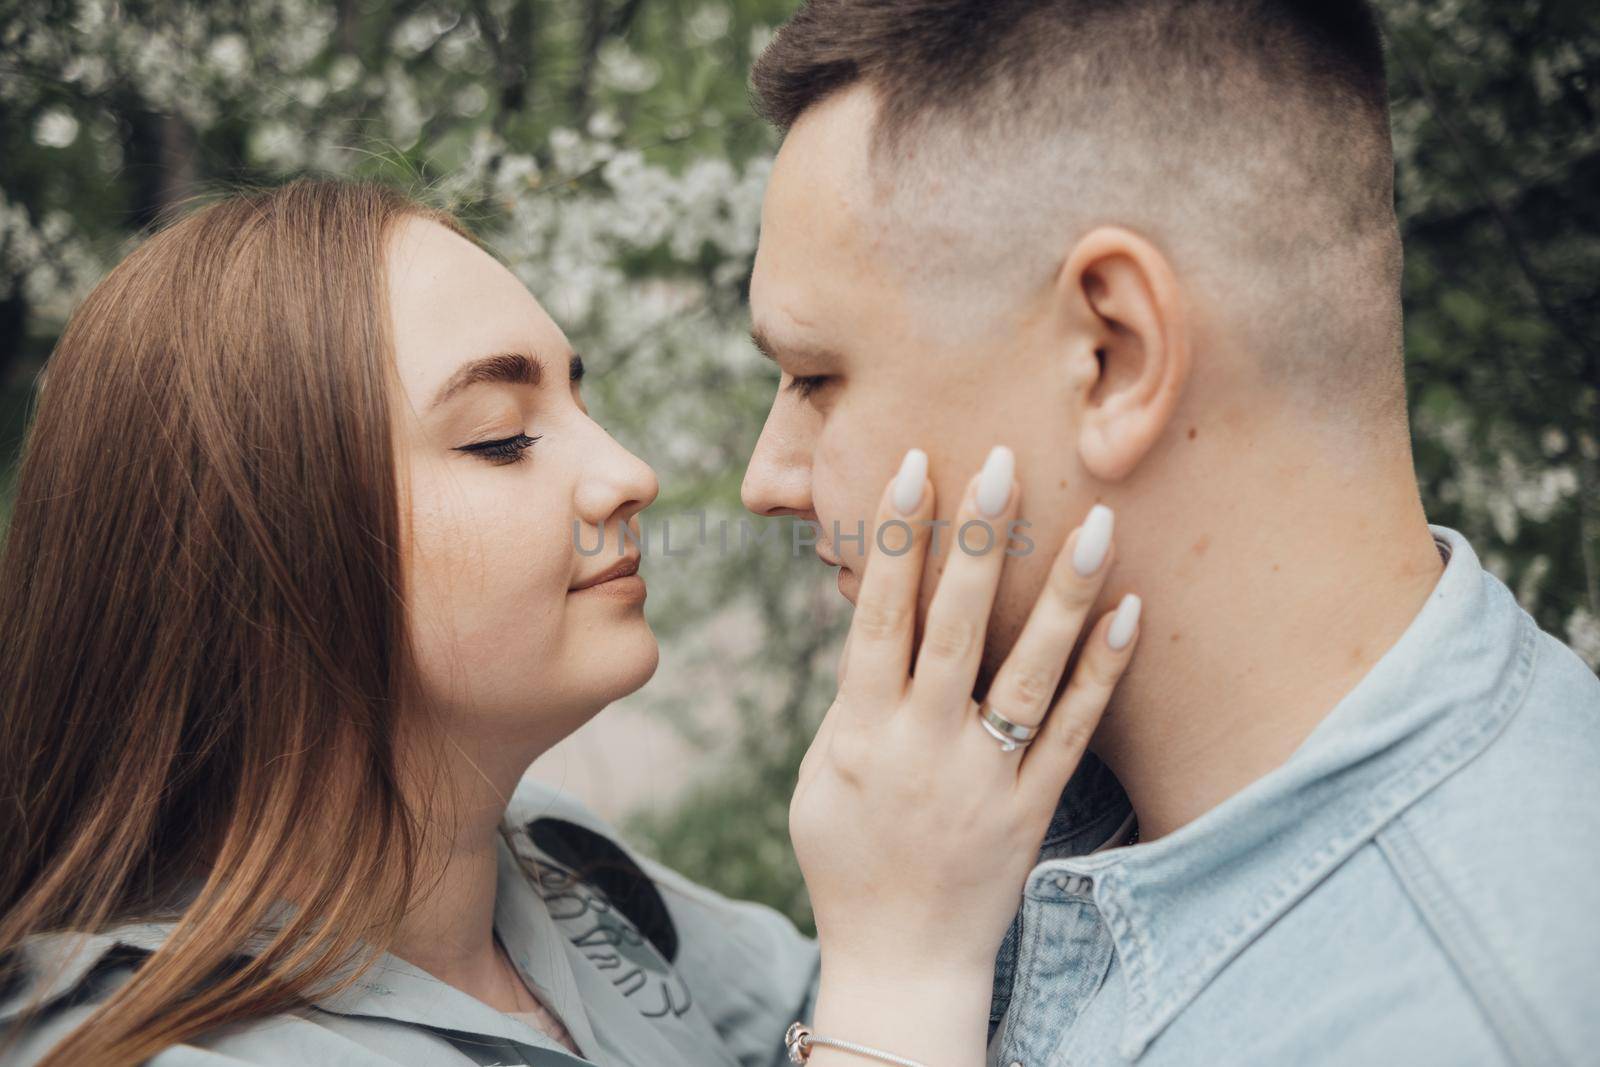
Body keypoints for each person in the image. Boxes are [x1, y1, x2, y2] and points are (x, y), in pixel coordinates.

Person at [0, 178, 1139, 1066]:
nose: (627, 472)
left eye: (581, 400)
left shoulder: (549, 865)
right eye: (501, 434)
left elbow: (829, 1005)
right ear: (252, 558)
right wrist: (900, 969)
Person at [741, 1, 1600, 1064]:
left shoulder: (1456, 1023)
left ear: (1113, 354)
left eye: (816, 377)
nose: (765, 479)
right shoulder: (971, 812)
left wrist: (888, 996)